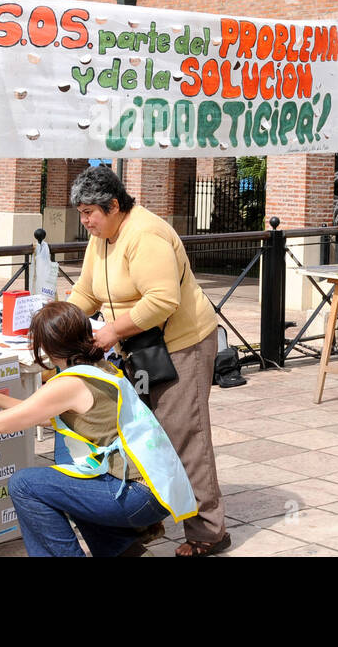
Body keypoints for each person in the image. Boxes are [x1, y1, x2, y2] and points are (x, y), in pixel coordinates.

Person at [65, 164, 230, 557]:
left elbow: (162, 300)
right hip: (140, 347)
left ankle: (209, 532)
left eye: (90, 212)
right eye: (81, 214)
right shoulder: (103, 237)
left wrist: (110, 332)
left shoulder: (146, 233)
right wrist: (62, 323)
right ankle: (148, 515)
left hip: (181, 343)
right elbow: (87, 291)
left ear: (114, 205)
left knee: (183, 434)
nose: (85, 221)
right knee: (144, 435)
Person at [0, 302, 196, 557]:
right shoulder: (100, 368)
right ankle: (127, 553)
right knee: (68, 482)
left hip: (136, 495)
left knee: (25, 485)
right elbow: (38, 414)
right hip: (156, 488)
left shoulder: (70, 383)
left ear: (47, 347)